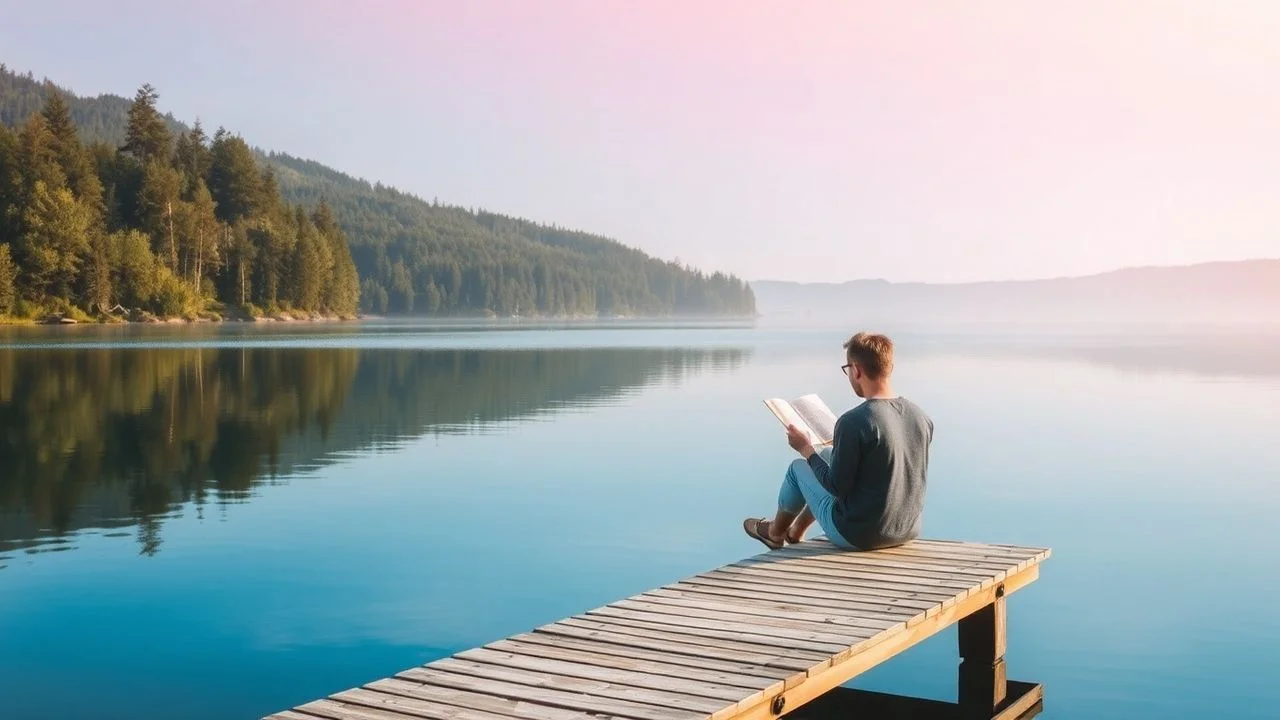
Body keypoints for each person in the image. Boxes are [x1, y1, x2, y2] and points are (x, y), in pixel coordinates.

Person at [743, 332, 933, 551]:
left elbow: (836, 487)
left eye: (847, 370)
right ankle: (795, 532)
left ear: (856, 370)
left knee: (798, 469)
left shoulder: (854, 421)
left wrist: (805, 449)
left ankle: (775, 533)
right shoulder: (920, 417)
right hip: (906, 530)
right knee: (827, 455)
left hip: (858, 534)